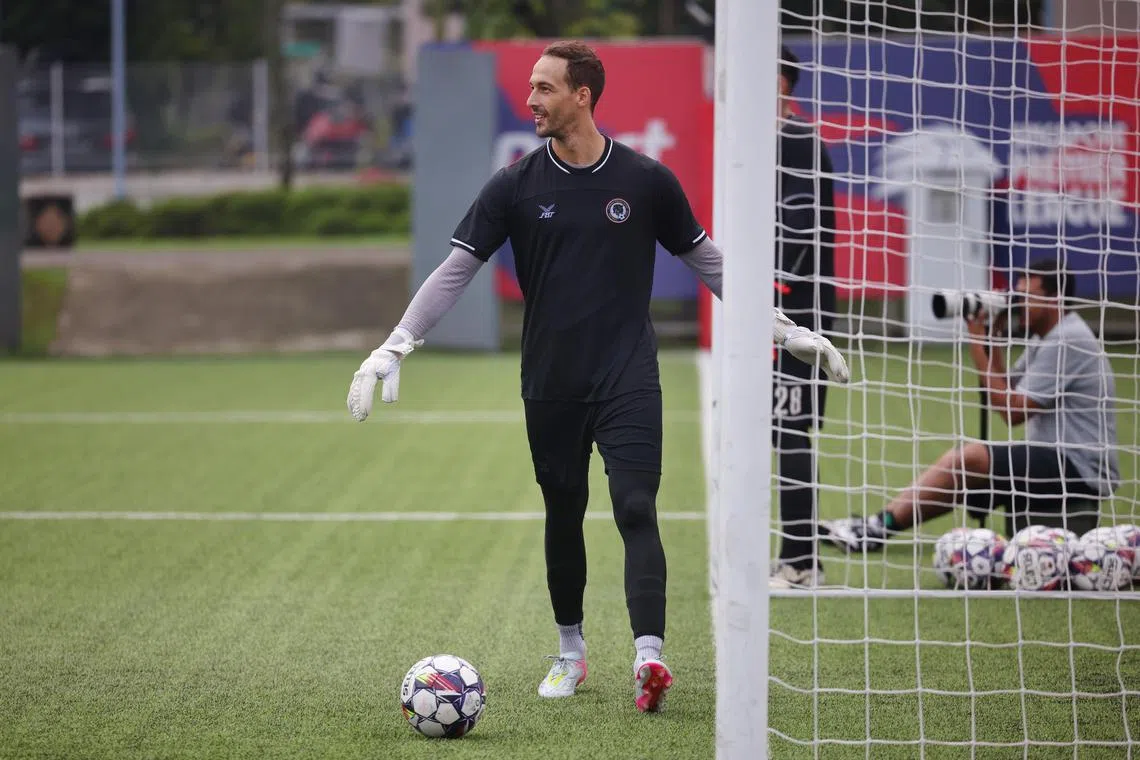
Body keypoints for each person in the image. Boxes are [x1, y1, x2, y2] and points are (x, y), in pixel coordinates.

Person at [347, 41, 850, 712]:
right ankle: (571, 654)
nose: (532, 100)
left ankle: (650, 657)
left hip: (628, 376)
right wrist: (397, 343)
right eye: (529, 88)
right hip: (550, 381)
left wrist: (785, 329)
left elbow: (710, 262)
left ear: (582, 95)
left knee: (636, 507)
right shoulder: (515, 185)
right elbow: (457, 268)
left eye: (545, 88)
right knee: (564, 514)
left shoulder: (646, 180)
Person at [820, 258, 1119, 551]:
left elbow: (1012, 411)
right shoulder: (1048, 337)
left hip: (1079, 467)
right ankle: (879, 523)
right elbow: (1005, 386)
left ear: (1055, 299)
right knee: (966, 465)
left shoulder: (1067, 339)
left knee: (970, 458)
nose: (1019, 301)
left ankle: (875, 528)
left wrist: (976, 340)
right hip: (1055, 458)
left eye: (1028, 295)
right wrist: (995, 339)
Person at [768, 45, 838, 589]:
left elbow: (800, 226)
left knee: (790, 428)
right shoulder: (768, 142)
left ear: (781, 84)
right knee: (772, 428)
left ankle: (801, 559)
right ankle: (789, 551)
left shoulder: (796, 140)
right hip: (771, 311)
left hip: (797, 318)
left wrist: (773, 295)